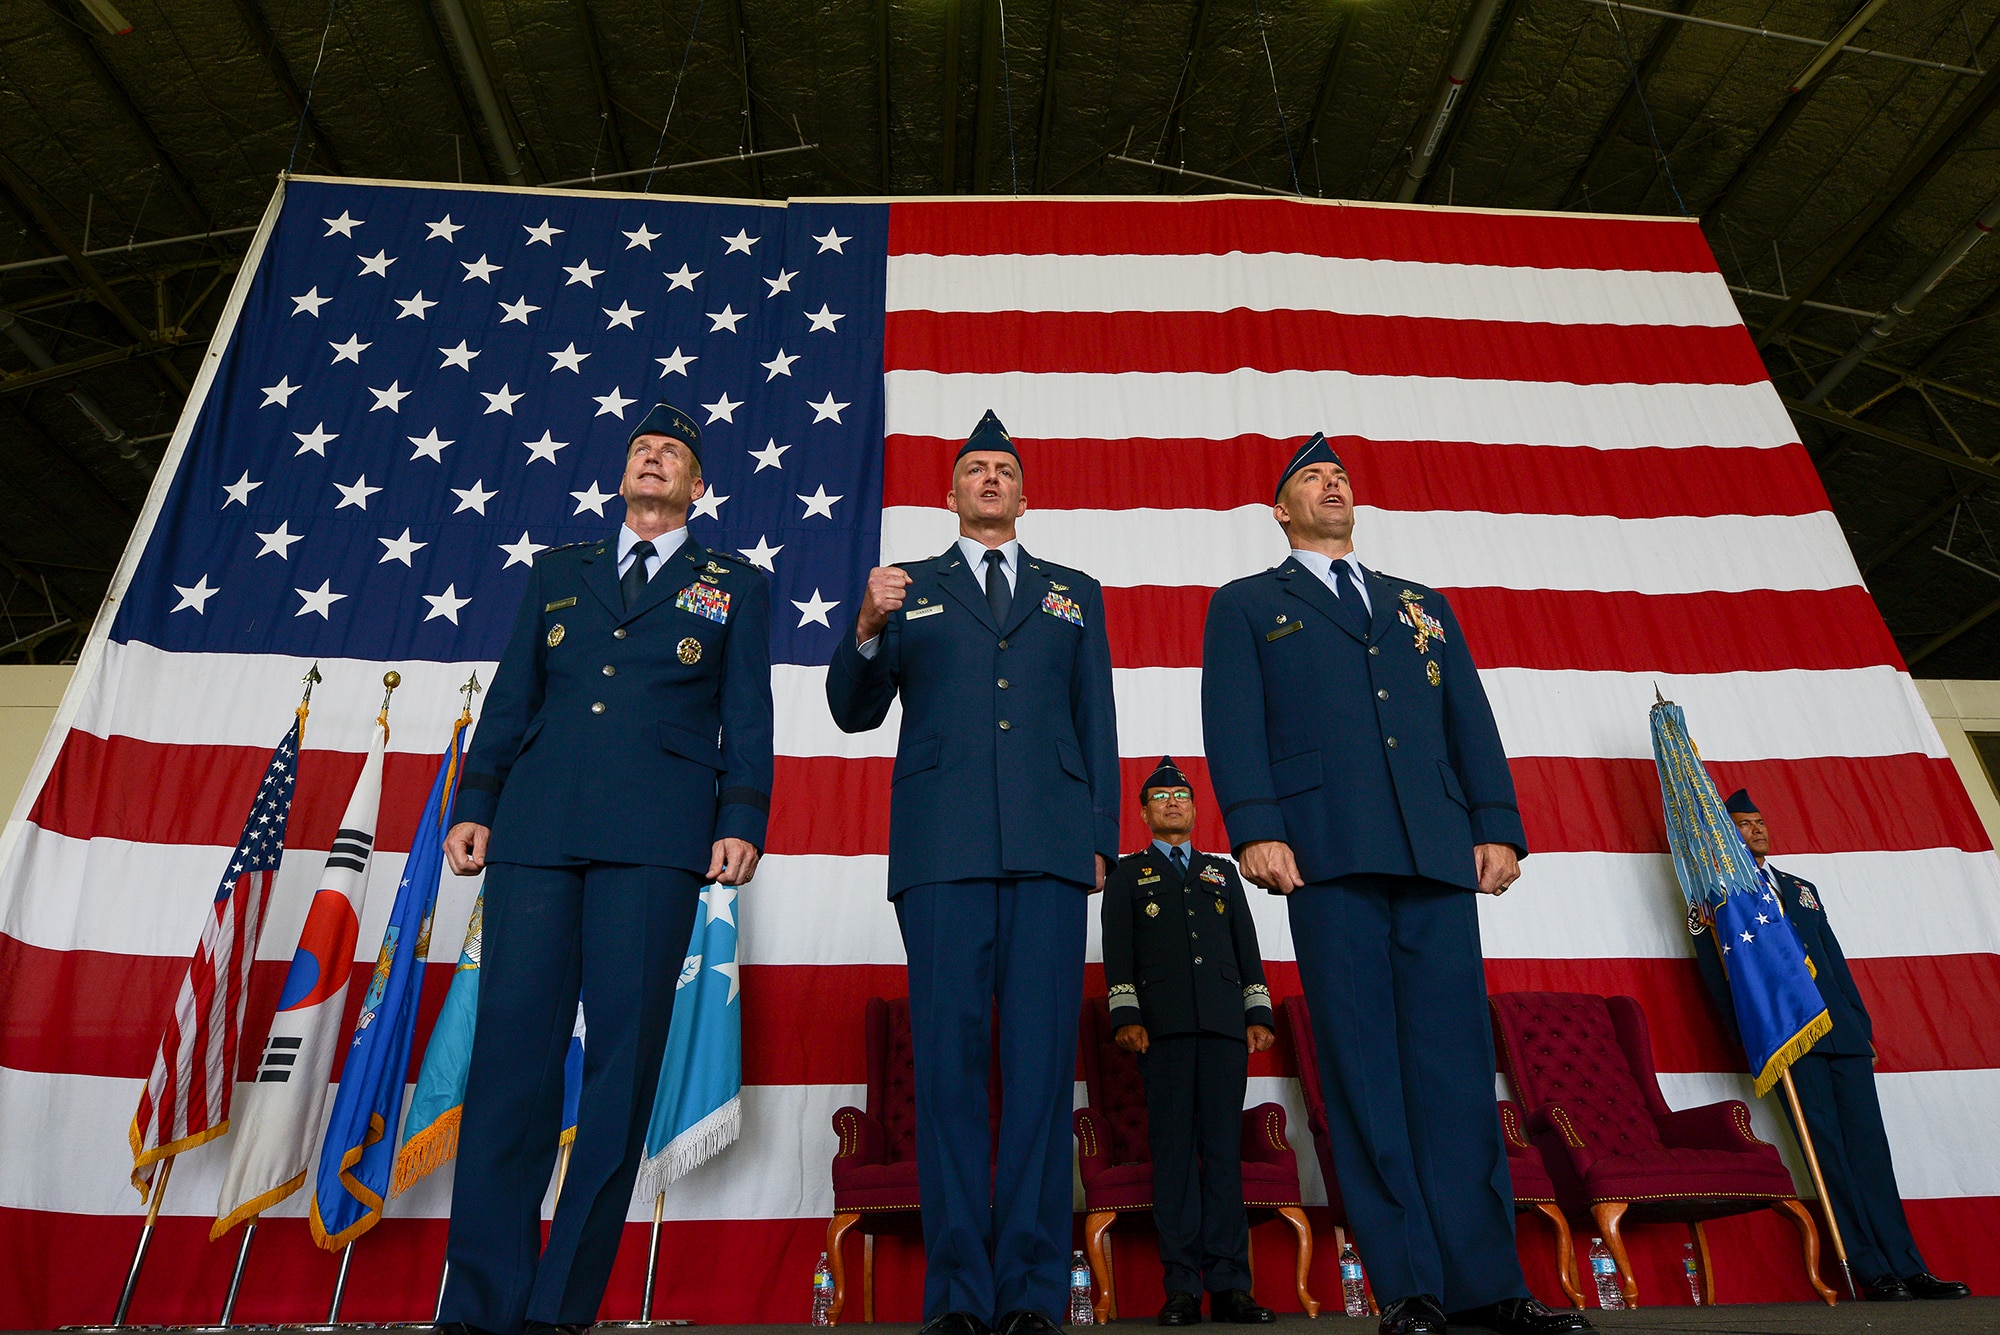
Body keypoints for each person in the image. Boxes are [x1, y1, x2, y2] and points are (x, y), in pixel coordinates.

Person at [1199, 434, 1589, 1335]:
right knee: (1365, 1074)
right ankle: (1408, 1285)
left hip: (1434, 849)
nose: (1332, 482)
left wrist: (1495, 820)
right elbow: (1233, 721)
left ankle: (1489, 1284)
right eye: (1311, 477)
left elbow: (1468, 716)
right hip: (1327, 852)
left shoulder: (1421, 603)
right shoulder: (1249, 604)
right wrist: (1256, 825)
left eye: (1338, 474)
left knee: (1456, 1071)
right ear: (1280, 509)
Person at [435, 403, 774, 1335]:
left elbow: (749, 714)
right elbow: (512, 697)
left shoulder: (732, 582)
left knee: (621, 1076)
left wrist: (742, 815)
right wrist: (476, 803)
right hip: (538, 830)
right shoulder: (558, 572)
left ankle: (559, 1307)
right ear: (621, 475)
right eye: (639, 448)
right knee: (510, 1067)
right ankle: (480, 1303)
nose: (653, 457)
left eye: (671, 452)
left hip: (658, 838)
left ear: (698, 486)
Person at [825, 409, 1120, 1335]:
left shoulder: (1075, 591)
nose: (989, 478)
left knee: (1038, 1072)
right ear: (950, 494)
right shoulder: (906, 589)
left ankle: (1032, 1291)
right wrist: (866, 625)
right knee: (948, 1071)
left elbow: (1095, 721)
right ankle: (957, 1292)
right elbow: (850, 711)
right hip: (941, 850)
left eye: (1004, 469)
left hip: (1048, 849)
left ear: (1024, 495)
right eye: (974, 469)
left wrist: (1097, 837)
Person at [1693, 789, 1970, 1303]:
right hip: (1787, 1038)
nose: (1757, 830)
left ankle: (1909, 1266)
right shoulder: (1715, 902)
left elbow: (1836, 964)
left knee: (1871, 1152)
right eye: (1743, 825)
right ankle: (1869, 1268)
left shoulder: (1801, 889)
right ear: (1722, 836)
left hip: (1841, 1033)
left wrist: (1860, 1027)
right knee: (1828, 1157)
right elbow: (1718, 979)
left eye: (1760, 821)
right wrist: (1751, 1040)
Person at [1101, 756, 1277, 1326]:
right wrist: (1126, 1013)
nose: (1173, 802)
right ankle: (1180, 1287)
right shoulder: (1128, 875)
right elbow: (1119, 950)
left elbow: (1245, 945)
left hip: (1225, 1028)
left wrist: (1258, 1011)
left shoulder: (1221, 872)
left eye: (1182, 795)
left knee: (1225, 1156)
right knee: (1175, 1158)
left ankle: (1230, 1287)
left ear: (1195, 809)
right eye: (1162, 797)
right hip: (1163, 1031)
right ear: (1145, 812)